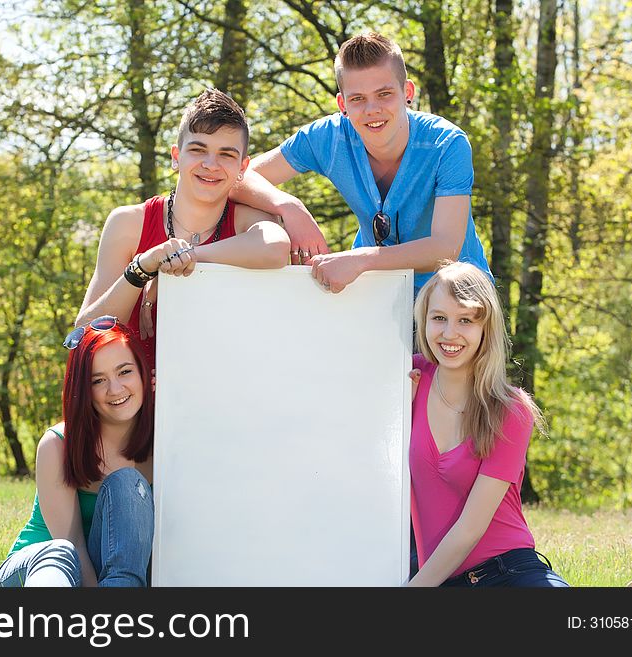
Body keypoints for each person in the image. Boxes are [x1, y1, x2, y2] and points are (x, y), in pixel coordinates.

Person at [232, 32, 492, 295]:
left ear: (407, 92)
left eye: (384, 94)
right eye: (358, 99)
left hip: (459, 302)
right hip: (378, 296)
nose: (372, 109)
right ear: (342, 104)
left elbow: (445, 248)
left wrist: (362, 259)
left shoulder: (447, 144)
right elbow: (235, 178)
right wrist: (290, 207)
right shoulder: (329, 138)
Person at [76, 88, 290, 369]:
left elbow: (276, 247)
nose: (210, 165)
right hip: (132, 404)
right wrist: (142, 268)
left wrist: (183, 257)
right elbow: (83, 335)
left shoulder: (245, 222)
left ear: (242, 167)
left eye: (226, 155)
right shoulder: (129, 223)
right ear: (176, 156)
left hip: (214, 397)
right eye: (198, 150)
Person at [406, 261, 568, 587]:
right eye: (439, 318)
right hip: (442, 578)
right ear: (423, 321)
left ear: (486, 328)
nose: (450, 333)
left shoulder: (510, 410)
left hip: (508, 572)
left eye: (465, 320)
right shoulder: (406, 381)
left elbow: (470, 528)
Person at [0, 316, 155, 587]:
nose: (115, 389)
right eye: (97, 380)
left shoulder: (166, 444)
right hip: (42, 572)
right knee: (60, 552)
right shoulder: (58, 444)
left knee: (128, 483)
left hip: (111, 578)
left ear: (145, 373)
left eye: (125, 372)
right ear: (83, 390)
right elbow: (74, 544)